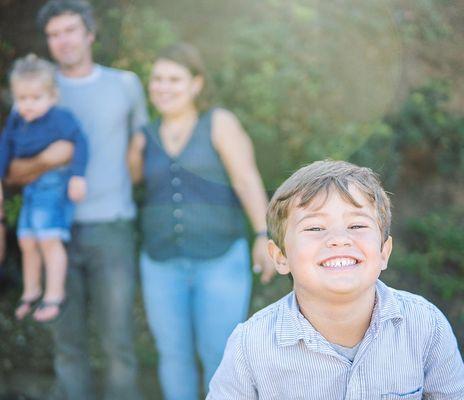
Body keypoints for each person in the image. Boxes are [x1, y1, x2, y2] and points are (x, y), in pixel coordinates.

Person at [207, 160, 464, 399]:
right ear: (280, 257)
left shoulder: (426, 326)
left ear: (384, 252)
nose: (339, 238)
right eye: (315, 228)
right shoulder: (250, 346)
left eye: (357, 226)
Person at [5, 1, 148, 399]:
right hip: (56, 230)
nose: (62, 41)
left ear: (89, 33)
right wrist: (50, 159)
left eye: (69, 30)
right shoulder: (36, 89)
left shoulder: (125, 84)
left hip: (111, 225)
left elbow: (139, 148)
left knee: (118, 343)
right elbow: (12, 170)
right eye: (53, 34)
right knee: (67, 345)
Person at [127, 42, 275, 399]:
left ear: (196, 84)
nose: (164, 87)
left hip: (220, 259)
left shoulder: (219, 123)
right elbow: (129, 184)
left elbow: (246, 180)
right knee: (173, 355)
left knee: (221, 357)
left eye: (174, 79)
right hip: (161, 262)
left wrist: (263, 235)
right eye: (158, 79)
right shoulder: (143, 136)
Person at [0, 54, 88, 323]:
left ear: (52, 96)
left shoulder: (60, 118)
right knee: (27, 239)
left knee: (49, 239)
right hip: (30, 188)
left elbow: (80, 143)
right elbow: (5, 147)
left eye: (35, 98)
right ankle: (31, 290)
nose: (28, 105)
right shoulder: (17, 120)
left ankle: (54, 294)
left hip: (53, 184)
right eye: (22, 99)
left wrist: (77, 177)